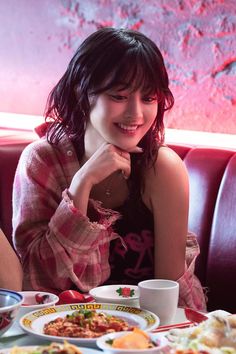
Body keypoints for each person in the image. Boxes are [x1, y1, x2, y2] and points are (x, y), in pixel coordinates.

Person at [13, 27, 206, 310]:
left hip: (145, 333)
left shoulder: (162, 169)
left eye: (148, 98)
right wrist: (82, 183)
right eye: (119, 96)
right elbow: (36, 284)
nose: (136, 114)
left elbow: (169, 293)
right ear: (83, 93)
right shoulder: (41, 162)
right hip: (56, 332)